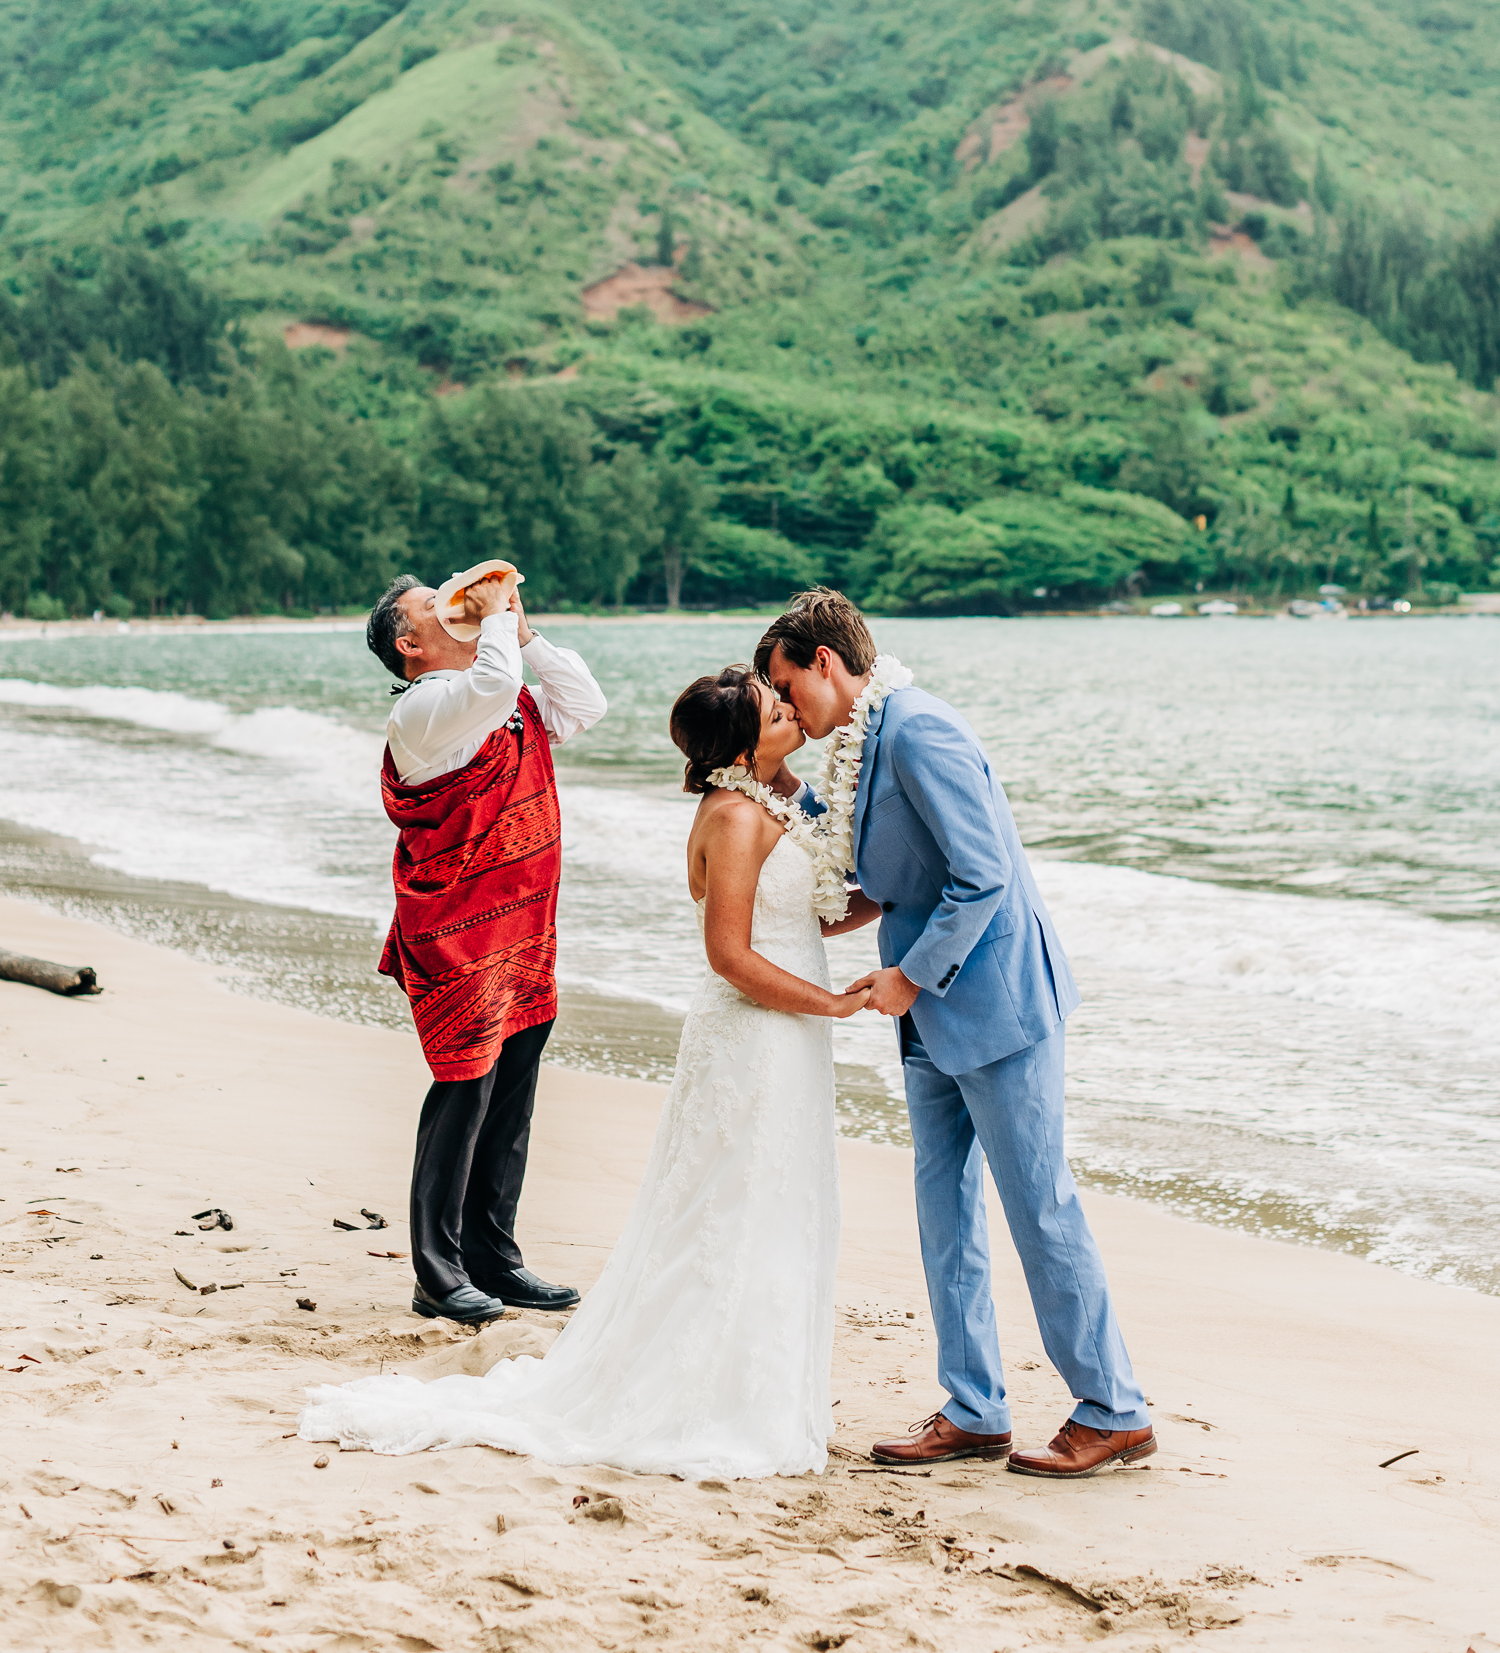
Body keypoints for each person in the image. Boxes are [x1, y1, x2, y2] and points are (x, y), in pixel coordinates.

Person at [302, 664, 875, 1479]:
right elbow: (731, 956)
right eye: (772, 707)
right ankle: (705, 1391)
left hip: (790, 1035)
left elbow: (817, 908)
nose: (788, 709)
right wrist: (834, 1007)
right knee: (731, 1203)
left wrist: (891, 895)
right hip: (754, 1033)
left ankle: (760, 1383)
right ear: (742, 749)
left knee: (779, 1202)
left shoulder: (781, 801)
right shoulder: (737, 819)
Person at [759, 587, 1155, 1481]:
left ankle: (1115, 1409)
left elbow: (983, 876)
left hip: (998, 1005)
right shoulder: (859, 746)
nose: (789, 710)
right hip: (930, 1016)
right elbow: (895, 875)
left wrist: (905, 976)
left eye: (790, 689)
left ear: (827, 661)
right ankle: (975, 1409)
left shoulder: (922, 729)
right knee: (945, 1214)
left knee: (1040, 1208)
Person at [365, 568, 608, 1326]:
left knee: (512, 1099)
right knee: (463, 1092)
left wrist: (524, 630)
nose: (451, 611)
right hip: (460, 930)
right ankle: (437, 1274)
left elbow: (585, 704)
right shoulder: (426, 708)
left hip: (524, 927)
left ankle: (495, 1259)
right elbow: (497, 687)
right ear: (410, 645)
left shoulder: (493, 694)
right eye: (431, 611)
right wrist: (496, 620)